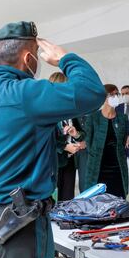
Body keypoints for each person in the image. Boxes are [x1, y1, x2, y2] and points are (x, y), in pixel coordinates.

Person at [0, 21, 106, 258]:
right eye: (37, 55)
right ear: (28, 57)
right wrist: (66, 58)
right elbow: (92, 92)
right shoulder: (28, 94)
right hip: (19, 224)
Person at [85, 84, 129, 198]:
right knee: (97, 201)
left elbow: (123, 142)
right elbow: (89, 143)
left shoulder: (122, 118)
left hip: (117, 168)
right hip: (98, 168)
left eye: (116, 94)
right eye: (111, 94)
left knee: (117, 200)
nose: (115, 97)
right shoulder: (93, 117)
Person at [50, 72, 86, 201]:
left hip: (71, 160)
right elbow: (45, 138)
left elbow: (82, 134)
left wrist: (76, 134)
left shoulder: (71, 109)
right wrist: (65, 146)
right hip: (53, 162)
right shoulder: (47, 110)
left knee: (68, 197)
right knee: (53, 200)